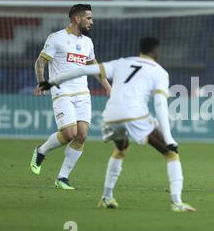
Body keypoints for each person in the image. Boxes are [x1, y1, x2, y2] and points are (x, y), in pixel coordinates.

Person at [39, 37, 196, 212]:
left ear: (140, 51)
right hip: (135, 115)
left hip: (111, 116)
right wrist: (168, 137)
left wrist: (51, 82)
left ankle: (106, 197)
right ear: (156, 53)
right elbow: (160, 104)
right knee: (171, 154)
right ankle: (177, 202)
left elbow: (84, 69)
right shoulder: (159, 72)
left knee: (121, 149)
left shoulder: (122, 62)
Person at [30, 4, 111, 190]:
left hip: (83, 93)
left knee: (82, 135)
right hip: (62, 91)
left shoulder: (87, 43)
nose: (92, 21)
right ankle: (41, 151)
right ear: (77, 19)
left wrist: (107, 85)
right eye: (88, 18)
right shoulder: (57, 38)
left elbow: (94, 66)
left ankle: (62, 178)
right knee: (69, 133)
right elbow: (40, 61)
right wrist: (42, 82)